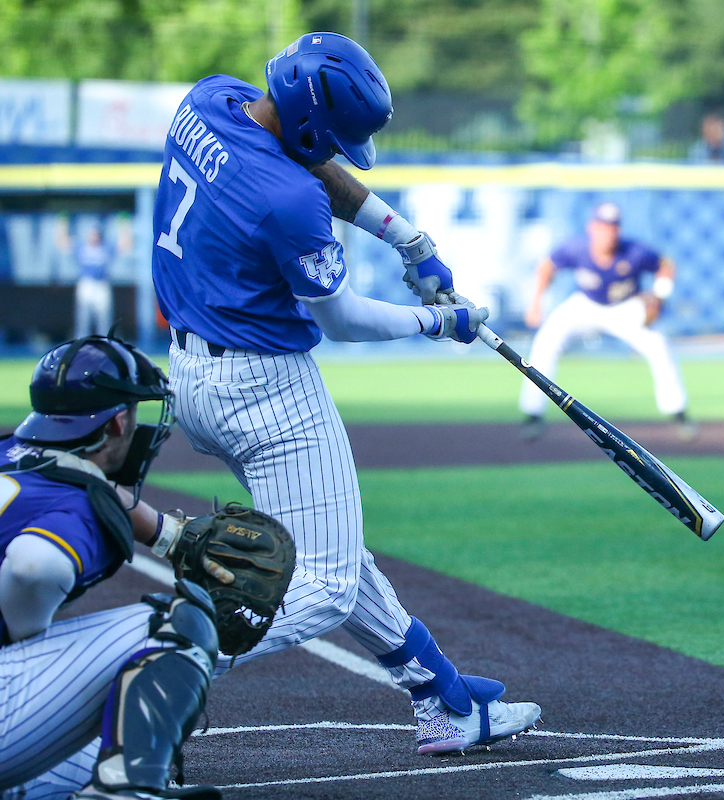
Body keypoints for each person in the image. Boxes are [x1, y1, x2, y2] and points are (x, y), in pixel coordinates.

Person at [150, 31, 540, 756]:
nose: (334, 152)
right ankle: (140, 674)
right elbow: (344, 318)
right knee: (323, 584)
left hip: (192, 378)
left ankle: (441, 697)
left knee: (337, 548)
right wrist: (440, 319)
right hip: (264, 389)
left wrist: (410, 242)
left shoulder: (209, 100)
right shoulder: (286, 198)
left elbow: (312, 159)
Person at [0, 336, 225, 800]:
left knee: (94, 756)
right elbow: (32, 567)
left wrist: (169, 536)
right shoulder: (76, 501)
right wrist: (25, 632)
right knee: (172, 622)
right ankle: (123, 793)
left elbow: (85, 481)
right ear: (120, 421)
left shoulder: (13, 457)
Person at [521, 201, 695, 441]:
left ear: (618, 231)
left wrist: (659, 295)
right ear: (592, 228)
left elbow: (665, 266)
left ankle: (679, 414)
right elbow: (547, 266)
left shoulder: (634, 251)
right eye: (603, 227)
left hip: (626, 308)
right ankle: (533, 414)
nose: (607, 233)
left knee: (659, 346)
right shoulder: (577, 248)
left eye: (612, 228)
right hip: (585, 304)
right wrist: (536, 303)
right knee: (546, 340)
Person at [73, 228, 114, 339]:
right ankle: (81, 343)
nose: (93, 237)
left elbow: (125, 245)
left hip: (101, 283)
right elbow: (62, 243)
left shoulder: (105, 247)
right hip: (86, 283)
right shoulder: (82, 247)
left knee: (104, 318)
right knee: (83, 318)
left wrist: (124, 226)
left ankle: (105, 342)